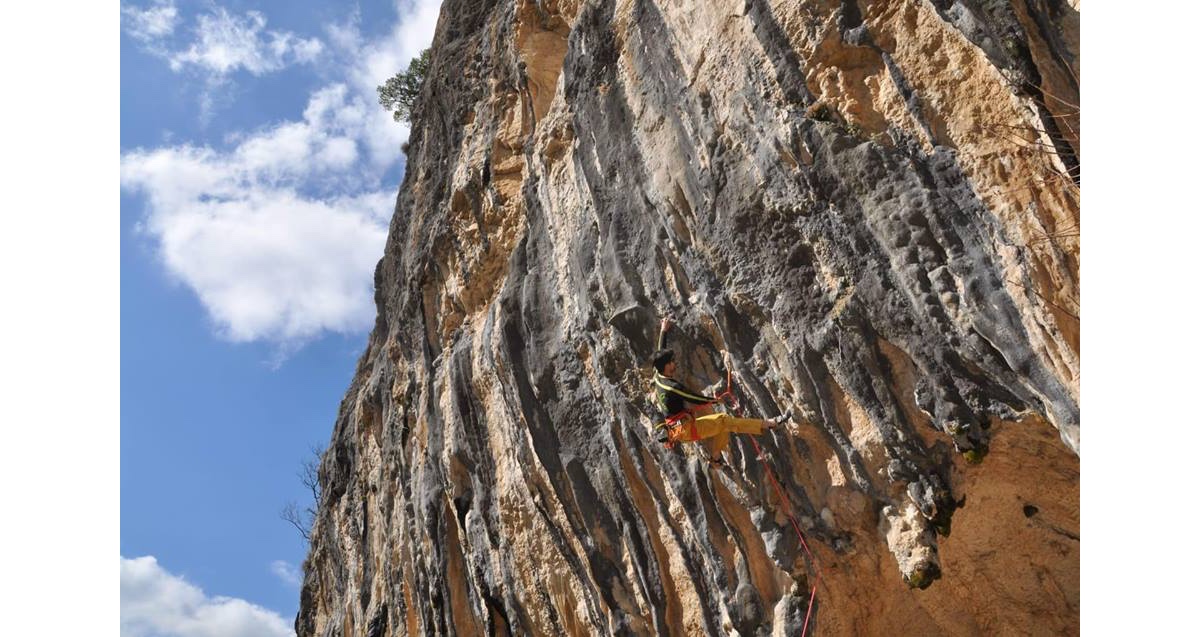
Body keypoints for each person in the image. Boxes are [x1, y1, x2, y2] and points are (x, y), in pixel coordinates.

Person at [651, 317, 791, 466]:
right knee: (724, 421)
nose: (674, 364)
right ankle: (769, 424)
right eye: (671, 362)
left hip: (680, 426)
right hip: (685, 429)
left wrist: (663, 331)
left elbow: (660, 352)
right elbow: (692, 398)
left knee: (721, 423)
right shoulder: (671, 387)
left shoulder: (657, 374)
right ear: (666, 366)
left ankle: (715, 459)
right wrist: (715, 400)